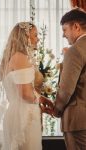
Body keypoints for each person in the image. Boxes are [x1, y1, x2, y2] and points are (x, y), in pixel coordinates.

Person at [0, 22, 53, 150]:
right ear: (25, 37)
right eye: (35, 35)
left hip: (16, 113)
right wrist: (38, 101)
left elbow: (24, 90)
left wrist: (42, 99)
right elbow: (25, 94)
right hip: (24, 118)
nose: (38, 39)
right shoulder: (21, 58)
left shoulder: (12, 56)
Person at [53, 8, 86, 150]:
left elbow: (66, 90)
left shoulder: (75, 50)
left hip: (77, 121)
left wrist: (56, 109)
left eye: (65, 29)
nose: (63, 35)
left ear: (76, 27)